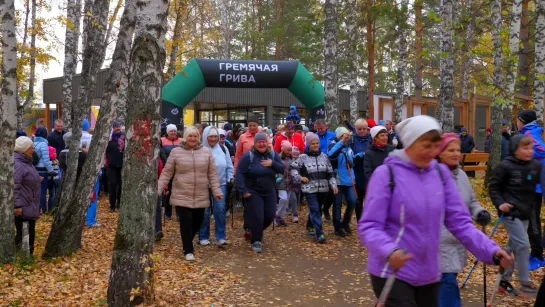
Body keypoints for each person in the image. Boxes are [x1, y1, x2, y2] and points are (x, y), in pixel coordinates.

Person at [359, 115, 513, 306]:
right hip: (392, 270)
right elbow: (369, 226)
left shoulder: (441, 175)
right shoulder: (386, 175)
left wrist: (492, 251)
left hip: (429, 272)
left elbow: (460, 223)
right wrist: (390, 251)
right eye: (425, 146)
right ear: (410, 144)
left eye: (435, 146)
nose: (431, 152)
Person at [437, 133, 492, 307]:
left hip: (459, 241)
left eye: (458, 150)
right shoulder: (433, 176)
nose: (456, 154)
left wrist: (479, 212)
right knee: (448, 287)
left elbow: (471, 201)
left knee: (446, 286)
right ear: (439, 152)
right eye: (450, 150)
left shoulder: (461, 175)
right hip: (439, 243)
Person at [157, 126, 223, 261]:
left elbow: (212, 174)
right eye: (190, 136)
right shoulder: (176, 152)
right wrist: (158, 189)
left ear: (198, 138)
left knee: (198, 222)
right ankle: (188, 249)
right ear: (185, 137)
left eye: (195, 136)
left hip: (201, 193)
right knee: (186, 222)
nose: (192, 139)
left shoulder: (206, 152)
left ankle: (187, 242)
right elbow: (167, 172)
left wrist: (217, 191)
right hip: (182, 192)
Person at [489, 134, 543, 296]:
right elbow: (494, 187)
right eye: (525, 148)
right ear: (515, 150)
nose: (529, 151)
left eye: (531, 148)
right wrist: (501, 204)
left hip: (526, 211)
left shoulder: (535, 166)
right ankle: (525, 282)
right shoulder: (505, 166)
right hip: (510, 212)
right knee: (523, 244)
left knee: (512, 247)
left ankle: (503, 280)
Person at [236, 132, 285, 253]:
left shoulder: (272, 155)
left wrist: (272, 164)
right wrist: (243, 190)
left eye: (263, 142)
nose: (261, 144)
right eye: (259, 142)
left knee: (269, 216)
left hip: (269, 190)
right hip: (253, 191)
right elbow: (240, 173)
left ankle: (255, 230)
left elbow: (282, 168)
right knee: (258, 216)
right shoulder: (249, 157)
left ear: (267, 143)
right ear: (255, 144)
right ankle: (256, 241)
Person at [290, 132, 337, 242]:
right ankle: (320, 233)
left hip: (323, 188)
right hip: (309, 188)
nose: (315, 145)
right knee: (315, 209)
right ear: (308, 145)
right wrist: (300, 177)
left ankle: (310, 224)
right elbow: (292, 168)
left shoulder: (325, 157)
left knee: (317, 209)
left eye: (317, 143)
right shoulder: (303, 157)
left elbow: (330, 173)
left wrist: (333, 185)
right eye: (313, 143)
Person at [516, 110, 545, 268]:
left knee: (533, 220)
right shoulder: (528, 133)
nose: (516, 122)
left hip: (536, 185)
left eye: (518, 120)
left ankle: (537, 256)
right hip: (532, 184)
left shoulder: (529, 134)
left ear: (523, 121)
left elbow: (541, 150)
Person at [199, 126, 234, 247]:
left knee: (220, 210)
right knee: (205, 211)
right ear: (205, 137)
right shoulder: (200, 150)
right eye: (211, 137)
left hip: (221, 184)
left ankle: (221, 236)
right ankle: (203, 236)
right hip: (203, 185)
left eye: (215, 137)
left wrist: (230, 178)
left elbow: (229, 166)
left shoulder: (224, 149)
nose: (213, 139)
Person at [14, 136, 41, 255]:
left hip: (29, 203)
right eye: (31, 148)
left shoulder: (26, 161)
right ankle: (24, 256)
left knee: (28, 231)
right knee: (24, 232)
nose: (33, 150)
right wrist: (17, 206)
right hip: (24, 205)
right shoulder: (19, 164)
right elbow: (14, 186)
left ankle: (26, 255)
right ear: (24, 149)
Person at [328, 127, 357, 237]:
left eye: (347, 136)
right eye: (343, 136)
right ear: (339, 137)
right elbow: (331, 155)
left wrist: (356, 158)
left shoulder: (349, 146)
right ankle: (337, 227)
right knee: (337, 204)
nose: (346, 138)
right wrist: (341, 143)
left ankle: (345, 223)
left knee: (353, 201)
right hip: (338, 179)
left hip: (349, 178)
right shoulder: (333, 145)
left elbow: (351, 159)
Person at [347, 119, 371, 221]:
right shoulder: (351, 140)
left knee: (370, 199)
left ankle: (369, 220)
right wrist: (360, 155)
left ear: (367, 129)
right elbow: (349, 157)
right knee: (358, 199)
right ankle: (360, 221)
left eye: (364, 129)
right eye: (359, 129)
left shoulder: (371, 140)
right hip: (356, 173)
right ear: (355, 129)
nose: (362, 131)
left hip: (369, 173)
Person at [160, 124, 183, 219]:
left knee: (178, 192)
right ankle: (168, 213)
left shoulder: (181, 141)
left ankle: (179, 213)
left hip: (179, 169)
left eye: (174, 131)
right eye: (171, 131)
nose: (173, 133)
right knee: (167, 191)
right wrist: (166, 163)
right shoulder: (162, 140)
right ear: (167, 132)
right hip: (167, 169)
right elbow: (160, 153)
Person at [364, 126, 395, 190]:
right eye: (382, 135)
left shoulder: (391, 149)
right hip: (378, 187)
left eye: (386, 135)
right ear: (375, 138)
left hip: (392, 186)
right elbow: (368, 173)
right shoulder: (369, 153)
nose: (385, 138)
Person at [33, 127, 56, 214]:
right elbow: (46, 159)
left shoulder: (32, 143)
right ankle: (44, 210)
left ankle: (36, 210)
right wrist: (51, 170)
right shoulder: (43, 144)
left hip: (34, 169)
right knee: (43, 191)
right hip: (43, 169)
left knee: (35, 190)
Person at [275, 141, 298, 226]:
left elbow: (295, 168)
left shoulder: (292, 158)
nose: (289, 152)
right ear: (283, 149)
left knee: (287, 200)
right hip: (281, 181)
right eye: (287, 150)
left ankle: (281, 218)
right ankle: (277, 215)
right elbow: (275, 168)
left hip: (290, 182)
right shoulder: (278, 158)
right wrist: (278, 177)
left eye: (290, 150)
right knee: (283, 198)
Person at [106, 121, 126, 212]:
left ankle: (120, 203)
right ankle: (112, 205)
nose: (118, 128)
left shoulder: (124, 137)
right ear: (113, 128)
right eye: (116, 127)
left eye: (119, 126)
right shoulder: (109, 138)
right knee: (112, 185)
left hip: (122, 164)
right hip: (111, 165)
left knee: (121, 184)